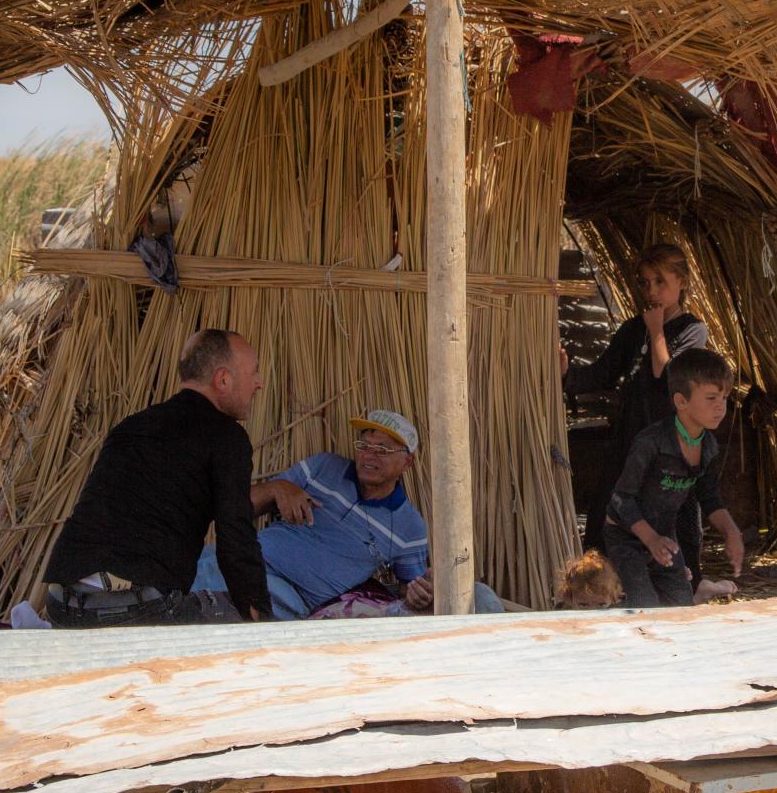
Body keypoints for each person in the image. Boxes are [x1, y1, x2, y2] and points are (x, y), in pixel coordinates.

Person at [40, 329, 271, 626]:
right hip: (135, 607)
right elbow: (235, 540)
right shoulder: (226, 437)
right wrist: (262, 619)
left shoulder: (131, 426)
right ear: (223, 380)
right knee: (233, 616)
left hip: (62, 603)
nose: (259, 383)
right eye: (253, 373)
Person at [193, 408, 506, 618]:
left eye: (383, 449)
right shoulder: (322, 467)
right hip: (236, 555)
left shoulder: (409, 529)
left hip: (282, 592)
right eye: (365, 444)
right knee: (178, 572)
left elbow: (408, 590)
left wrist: (418, 596)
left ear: (406, 463)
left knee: (186, 601)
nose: (369, 455)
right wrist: (277, 488)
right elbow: (234, 508)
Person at [565, 241, 712, 556]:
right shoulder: (634, 329)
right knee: (610, 509)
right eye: (645, 283)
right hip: (631, 437)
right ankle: (605, 581)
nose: (652, 291)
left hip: (669, 443)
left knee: (671, 517)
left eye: (661, 282)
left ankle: (686, 584)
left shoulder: (692, 331)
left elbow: (668, 374)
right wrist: (566, 374)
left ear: (682, 282)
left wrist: (657, 331)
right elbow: (603, 373)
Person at [604, 348, 746, 608]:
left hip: (664, 536)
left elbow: (709, 496)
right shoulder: (652, 443)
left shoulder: (708, 446)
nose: (720, 407)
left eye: (725, 398)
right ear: (681, 401)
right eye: (711, 397)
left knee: (681, 606)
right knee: (645, 605)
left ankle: (697, 594)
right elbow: (621, 500)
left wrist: (731, 531)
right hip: (626, 535)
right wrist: (651, 540)